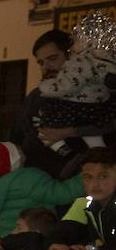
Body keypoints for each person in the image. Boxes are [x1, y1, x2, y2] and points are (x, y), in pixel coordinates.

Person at [16, 29, 116, 177]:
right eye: (41, 62)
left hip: (96, 179)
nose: (46, 67)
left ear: (71, 56)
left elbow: (111, 123)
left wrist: (70, 131)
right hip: (45, 182)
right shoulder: (36, 97)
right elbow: (21, 136)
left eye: (52, 58)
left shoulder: (100, 90)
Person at [0, 142, 84, 238]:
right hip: (33, 235)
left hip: (3, 236)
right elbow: (61, 194)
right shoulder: (27, 178)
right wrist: (86, 177)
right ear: (14, 158)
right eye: (18, 149)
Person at [48, 147, 116, 250]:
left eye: (103, 176)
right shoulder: (85, 202)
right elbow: (58, 235)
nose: (94, 184)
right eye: (88, 177)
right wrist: (85, 249)